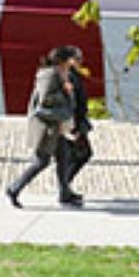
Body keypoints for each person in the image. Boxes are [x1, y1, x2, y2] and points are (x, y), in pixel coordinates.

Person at [5, 46, 74, 209]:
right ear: (62, 60)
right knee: (41, 161)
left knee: (64, 156)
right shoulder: (49, 75)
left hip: (55, 126)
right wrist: (64, 91)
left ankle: (65, 193)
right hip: (46, 128)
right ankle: (14, 188)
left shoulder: (59, 74)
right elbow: (44, 100)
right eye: (70, 59)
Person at [53, 47, 92, 206]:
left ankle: (64, 187)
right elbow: (70, 102)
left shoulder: (73, 75)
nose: (80, 62)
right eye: (77, 58)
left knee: (76, 155)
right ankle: (64, 188)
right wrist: (72, 126)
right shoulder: (66, 77)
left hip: (77, 122)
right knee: (81, 154)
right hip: (71, 124)